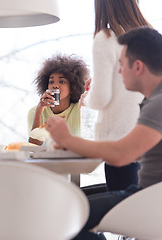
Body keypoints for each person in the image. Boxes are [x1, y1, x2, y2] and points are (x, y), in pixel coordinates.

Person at [46, 27, 162, 240]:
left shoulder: (159, 104)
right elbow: (136, 151)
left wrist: (68, 139)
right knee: (70, 203)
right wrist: (73, 144)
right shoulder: (153, 101)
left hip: (148, 201)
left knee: (62, 217)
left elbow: (121, 154)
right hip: (147, 196)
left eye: (121, 64)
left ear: (138, 67)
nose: (118, 72)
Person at [80, 0, 152, 191]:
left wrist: (85, 99)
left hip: (118, 145)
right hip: (148, 145)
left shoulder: (106, 37)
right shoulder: (151, 38)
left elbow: (101, 98)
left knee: (121, 213)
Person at [27, 53, 88, 145]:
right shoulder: (34, 112)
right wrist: (39, 111)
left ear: (72, 87)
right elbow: (34, 145)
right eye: (51, 81)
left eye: (62, 81)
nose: (55, 85)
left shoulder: (81, 109)